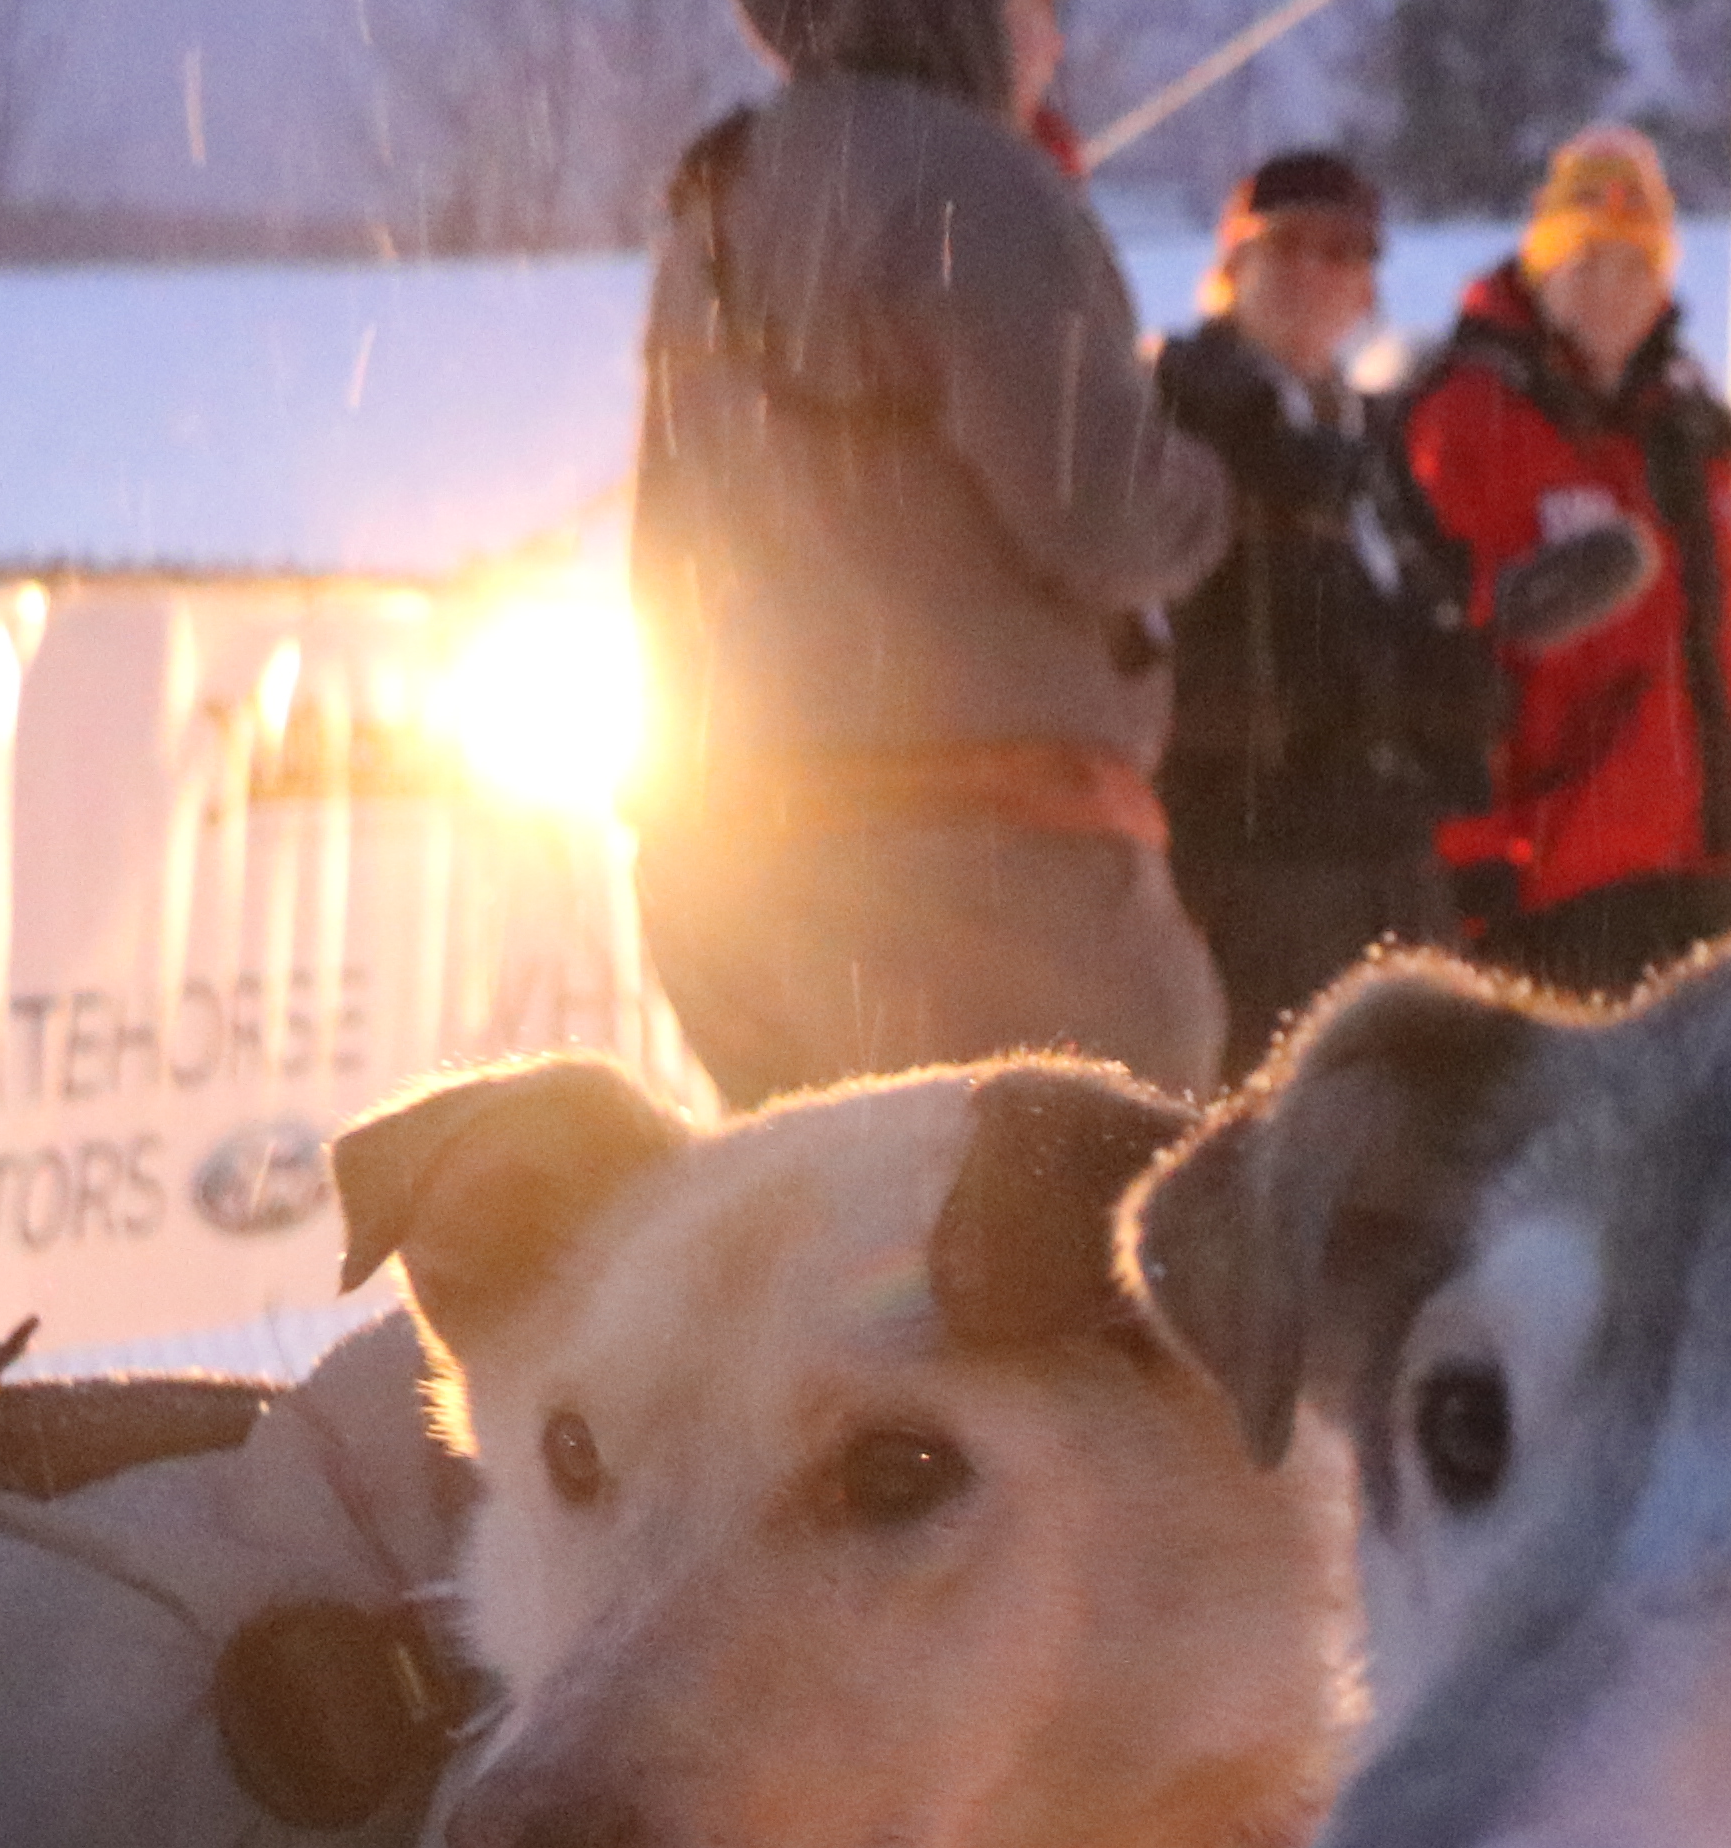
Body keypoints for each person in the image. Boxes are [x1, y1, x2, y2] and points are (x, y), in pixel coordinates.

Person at [629, 0, 1229, 1107]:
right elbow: (1099, 510)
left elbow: (664, 555)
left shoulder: (721, 191)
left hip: (738, 866)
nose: (1053, 44)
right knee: (1078, 1232)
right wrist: (1206, 488)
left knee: (840, 1244)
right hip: (979, 877)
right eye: (1040, 8)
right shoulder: (970, 181)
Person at [1399, 124, 1731, 1004]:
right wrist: (1477, 864)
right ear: (1543, 268)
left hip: (1728, 878)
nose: (1612, 291)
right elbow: (1441, 652)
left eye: (1635, 266)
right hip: (1569, 888)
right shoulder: (1469, 419)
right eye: (1587, 263)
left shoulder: (1689, 438)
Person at [1150, 150, 1496, 1065]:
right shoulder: (1176, 420)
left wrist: (1480, 654)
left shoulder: (1374, 446)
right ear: (1232, 269)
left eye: (1344, 251)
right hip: (1247, 881)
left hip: (1389, 875)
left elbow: (1410, 652)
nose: (1314, 272)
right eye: (1285, 245)